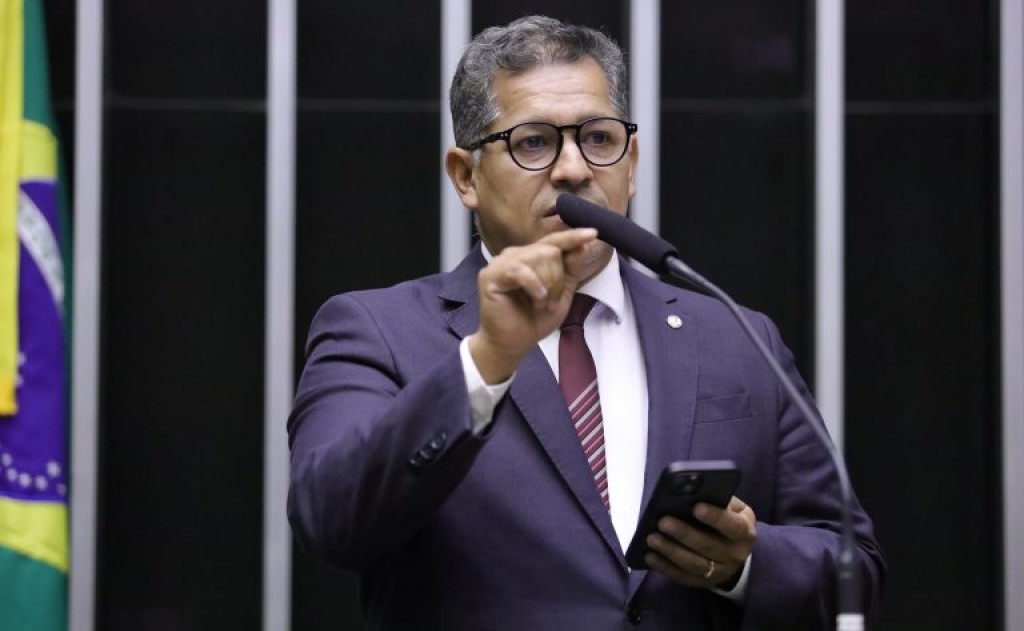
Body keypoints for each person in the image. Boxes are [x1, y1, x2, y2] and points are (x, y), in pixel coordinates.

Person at [288, 15, 885, 630]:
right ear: (466, 177)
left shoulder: (736, 335)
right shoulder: (376, 330)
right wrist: (487, 361)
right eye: (534, 142)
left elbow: (853, 570)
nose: (574, 168)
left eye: (599, 138)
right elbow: (331, 521)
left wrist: (744, 563)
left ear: (632, 164)